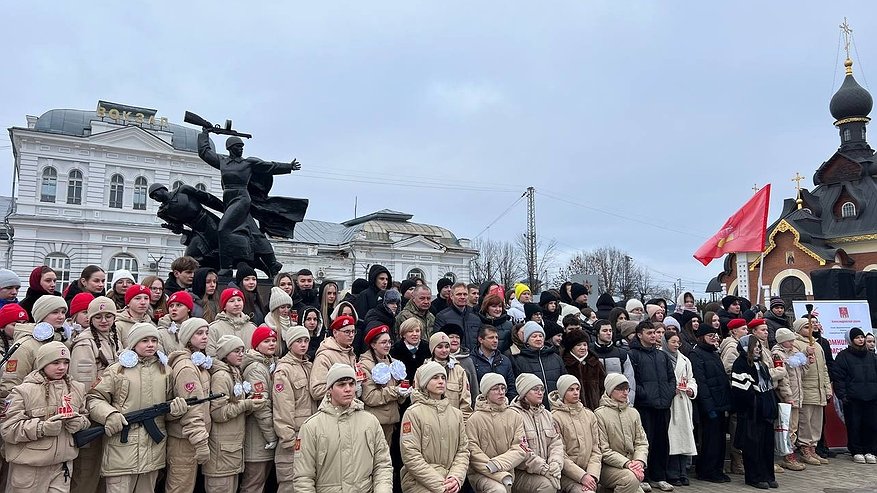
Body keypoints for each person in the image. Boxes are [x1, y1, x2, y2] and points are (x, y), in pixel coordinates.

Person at [87, 323, 190, 492]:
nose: (150, 344)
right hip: (121, 448)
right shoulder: (117, 370)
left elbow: (166, 410)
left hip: (152, 451)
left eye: (154, 340)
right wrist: (109, 415)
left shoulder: (166, 371)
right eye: (144, 340)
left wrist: (175, 412)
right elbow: (94, 399)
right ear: (133, 343)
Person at [196, 127, 301, 276]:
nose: (241, 149)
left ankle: (225, 267)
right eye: (238, 147)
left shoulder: (248, 163)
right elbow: (204, 152)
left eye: (242, 147)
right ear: (230, 148)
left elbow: (269, 166)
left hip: (242, 198)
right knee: (253, 231)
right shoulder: (223, 162)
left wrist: (288, 166)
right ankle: (271, 261)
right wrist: (204, 134)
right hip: (229, 198)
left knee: (223, 229)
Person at [1, 341, 90, 493]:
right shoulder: (23, 391)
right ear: (42, 363)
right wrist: (41, 428)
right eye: (55, 362)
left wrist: (80, 423)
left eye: (65, 362)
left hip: (62, 468)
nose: (61, 367)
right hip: (29, 470)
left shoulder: (77, 389)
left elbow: (84, 416)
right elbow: (8, 429)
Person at [293, 363, 393, 493]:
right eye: (341, 385)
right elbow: (303, 477)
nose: (348, 389)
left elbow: (382, 465)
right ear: (329, 389)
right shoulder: (311, 427)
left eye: (351, 384)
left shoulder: (370, 421)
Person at [68, 296, 120, 493]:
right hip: (92, 416)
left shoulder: (114, 338)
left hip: (108, 411)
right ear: (90, 319)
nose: (104, 321)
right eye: (98, 317)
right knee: (86, 474)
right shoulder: (85, 343)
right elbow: (82, 387)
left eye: (108, 316)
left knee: (102, 473)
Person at [400, 361, 469, 493]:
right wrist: (440, 485)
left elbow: (463, 450)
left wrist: (456, 477)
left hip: (450, 479)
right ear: (425, 382)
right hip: (418, 481)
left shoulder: (456, 414)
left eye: (443, 378)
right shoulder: (413, 413)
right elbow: (410, 455)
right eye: (435, 378)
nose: (441, 381)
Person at [626, 321, 675, 491]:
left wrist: (668, 395)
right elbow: (632, 381)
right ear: (640, 335)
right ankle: (643, 477)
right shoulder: (633, 355)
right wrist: (644, 394)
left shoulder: (662, 356)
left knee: (662, 442)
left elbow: (671, 378)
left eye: (654, 333)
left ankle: (659, 476)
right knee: (646, 443)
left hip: (663, 406)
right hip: (645, 406)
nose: (654, 336)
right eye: (649, 333)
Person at [165, 318, 212, 493]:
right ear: (187, 337)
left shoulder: (197, 364)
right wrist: (200, 442)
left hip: (191, 437)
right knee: (180, 487)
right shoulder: (187, 368)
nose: (205, 337)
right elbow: (193, 408)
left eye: (206, 333)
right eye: (199, 333)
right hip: (185, 441)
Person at [272, 326, 317, 493]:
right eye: (299, 341)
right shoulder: (284, 370)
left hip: (310, 435)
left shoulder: (309, 366)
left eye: (306, 341)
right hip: (294, 437)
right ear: (290, 344)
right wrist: (289, 439)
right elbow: (282, 408)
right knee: (289, 485)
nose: (303, 345)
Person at [466, 373, 527, 493]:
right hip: (482, 473)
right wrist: (494, 469)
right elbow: (473, 452)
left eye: (503, 388)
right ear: (486, 392)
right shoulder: (474, 419)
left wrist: (498, 464)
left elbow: (520, 448)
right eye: (495, 388)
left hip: (508, 470)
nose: (501, 392)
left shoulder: (515, 416)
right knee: (498, 490)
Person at [731, 335, 779, 489]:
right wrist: (757, 399)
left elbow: (769, 387)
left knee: (767, 445)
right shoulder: (741, 364)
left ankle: (768, 475)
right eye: (755, 345)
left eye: (759, 345)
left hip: (765, 412)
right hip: (751, 414)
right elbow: (742, 391)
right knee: (753, 447)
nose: (758, 348)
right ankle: (754, 477)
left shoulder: (762, 364)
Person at [687, 321, 731, 483]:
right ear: (701, 337)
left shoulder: (714, 352)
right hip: (709, 405)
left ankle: (717, 469)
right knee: (710, 440)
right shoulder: (696, 354)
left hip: (721, 403)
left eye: (715, 335)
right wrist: (709, 406)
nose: (714, 338)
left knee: (719, 440)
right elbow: (702, 382)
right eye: (710, 336)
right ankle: (706, 470)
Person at [0, 295, 68, 397]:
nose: (61, 316)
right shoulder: (26, 345)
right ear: (41, 315)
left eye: (63, 312)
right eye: (55, 312)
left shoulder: (65, 343)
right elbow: (11, 385)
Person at [509, 372, 563, 492]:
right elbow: (520, 450)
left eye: (542, 389)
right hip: (520, 472)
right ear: (524, 393)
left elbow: (556, 443)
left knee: (554, 481)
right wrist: (543, 468)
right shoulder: (514, 415)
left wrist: (555, 464)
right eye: (535, 389)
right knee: (547, 486)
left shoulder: (547, 414)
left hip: (545, 468)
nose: (540, 392)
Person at [595, 373, 649, 493]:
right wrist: (626, 463)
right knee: (630, 480)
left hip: (632, 465)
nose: (625, 392)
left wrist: (639, 461)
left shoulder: (633, 413)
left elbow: (641, 442)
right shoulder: (600, 414)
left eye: (627, 389)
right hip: (608, 467)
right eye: (620, 389)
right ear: (610, 391)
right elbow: (603, 450)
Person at [831, 327, 877, 465]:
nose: (861, 340)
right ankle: (856, 451)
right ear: (851, 340)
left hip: (872, 397)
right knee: (854, 425)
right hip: (853, 398)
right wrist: (843, 395)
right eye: (857, 337)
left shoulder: (871, 356)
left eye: (862, 337)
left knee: (871, 425)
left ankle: (871, 450)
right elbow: (839, 378)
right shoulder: (843, 356)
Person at [549, 375, 602, 493]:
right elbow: (560, 454)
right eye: (571, 389)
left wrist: (592, 475)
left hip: (589, 472)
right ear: (562, 392)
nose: (575, 393)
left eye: (577, 389)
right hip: (567, 476)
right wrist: (581, 476)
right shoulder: (554, 417)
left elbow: (596, 449)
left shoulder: (589, 415)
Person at [241, 326, 279, 493]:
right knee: (253, 484)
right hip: (258, 439)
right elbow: (260, 406)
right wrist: (272, 435)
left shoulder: (268, 363)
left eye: (273, 341)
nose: (271, 344)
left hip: (264, 437)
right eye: (266, 341)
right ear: (256, 345)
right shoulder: (256, 368)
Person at [359, 325, 410, 444]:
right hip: (374, 421)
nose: (387, 345)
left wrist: (403, 393)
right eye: (383, 342)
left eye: (389, 342)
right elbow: (370, 397)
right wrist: (396, 391)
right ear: (373, 345)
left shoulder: (393, 362)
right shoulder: (365, 365)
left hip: (391, 420)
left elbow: (398, 397)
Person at [791, 317, 832, 466]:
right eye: (806, 327)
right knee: (805, 422)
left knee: (816, 422)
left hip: (819, 389)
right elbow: (793, 364)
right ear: (798, 329)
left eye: (811, 327)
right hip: (806, 389)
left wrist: (827, 387)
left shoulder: (817, 345)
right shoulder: (795, 343)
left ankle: (813, 447)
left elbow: (824, 368)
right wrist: (804, 353)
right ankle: (804, 448)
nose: (810, 329)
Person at [661, 331, 697, 487]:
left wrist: (690, 389)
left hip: (683, 402)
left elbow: (691, 379)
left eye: (678, 342)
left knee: (684, 438)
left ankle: (683, 472)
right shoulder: (661, 357)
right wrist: (671, 390)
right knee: (673, 439)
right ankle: (672, 473)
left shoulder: (685, 360)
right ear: (665, 342)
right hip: (670, 403)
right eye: (673, 342)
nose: (676, 345)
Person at [771, 327, 808, 471]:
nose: (792, 342)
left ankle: (790, 452)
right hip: (789, 396)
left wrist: (806, 361)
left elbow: (801, 374)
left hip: (798, 394)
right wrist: (787, 396)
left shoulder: (794, 352)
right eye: (789, 340)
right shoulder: (778, 355)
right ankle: (787, 455)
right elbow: (783, 378)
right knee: (788, 428)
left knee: (794, 426)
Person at [509, 321, 565, 406]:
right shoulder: (519, 360)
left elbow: (563, 380)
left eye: (541, 336)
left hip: (556, 406)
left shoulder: (555, 357)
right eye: (534, 336)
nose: (538, 339)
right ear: (527, 340)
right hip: (532, 408)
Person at [720, 317, 749, 475]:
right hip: (737, 392)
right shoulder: (732, 347)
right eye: (743, 329)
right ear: (734, 331)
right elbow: (729, 369)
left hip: (742, 392)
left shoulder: (741, 344)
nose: (746, 332)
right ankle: (737, 461)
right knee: (736, 427)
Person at [422, 332, 472, 419]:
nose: (444, 350)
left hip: (453, 420)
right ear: (433, 349)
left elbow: (465, 402)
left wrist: (463, 423)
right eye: (440, 347)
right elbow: (417, 397)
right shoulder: (423, 370)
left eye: (447, 347)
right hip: (429, 420)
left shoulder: (459, 370)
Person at [309, 313, 359, 400]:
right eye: (347, 332)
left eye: (353, 331)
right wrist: (344, 388)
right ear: (335, 333)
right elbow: (316, 390)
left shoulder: (350, 353)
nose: (351, 335)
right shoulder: (325, 356)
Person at [592, 319, 636, 404]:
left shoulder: (621, 353)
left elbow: (630, 379)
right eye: (604, 331)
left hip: (618, 400)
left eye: (610, 330)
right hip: (595, 400)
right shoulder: (590, 353)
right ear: (597, 333)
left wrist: (629, 402)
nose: (608, 333)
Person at [561, 329, 605, 410]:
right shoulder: (564, 364)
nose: (583, 348)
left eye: (585, 345)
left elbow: (603, 387)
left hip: (595, 409)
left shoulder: (595, 363)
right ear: (571, 347)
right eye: (578, 345)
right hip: (572, 410)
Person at [470, 325, 517, 400]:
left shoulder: (505, 360)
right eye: (491, 338)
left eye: (496, 338)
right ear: (481, 340)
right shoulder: (471, 361)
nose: (495, 341)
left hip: (503, 405)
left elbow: (511, 387)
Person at [434, 283, 483, 352]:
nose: (462, 297)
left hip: (473, 359)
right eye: (459, 294)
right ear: (451, 296)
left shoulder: (476, 318)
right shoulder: (442, 316)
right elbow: (439, 341)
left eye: (465, 294)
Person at [208, 287, 258, 355]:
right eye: (231, 301)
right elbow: (211, 356)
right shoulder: (214, 329)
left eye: (239, 300)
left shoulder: (253, 328)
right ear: (224, 306)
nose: (237, 304)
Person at [390, 318, 431, 383]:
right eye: (410, 331)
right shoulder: (395, 349)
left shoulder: (428, 347)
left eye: (417, 331)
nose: (414, 334)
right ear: (403, 334)